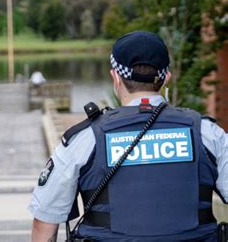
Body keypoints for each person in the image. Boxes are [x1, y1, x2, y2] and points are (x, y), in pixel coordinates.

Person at [28, 31, 227, 241]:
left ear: (115, 77)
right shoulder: (207, 134)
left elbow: (45, 222)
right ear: (166, 77)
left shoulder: (85, 139)